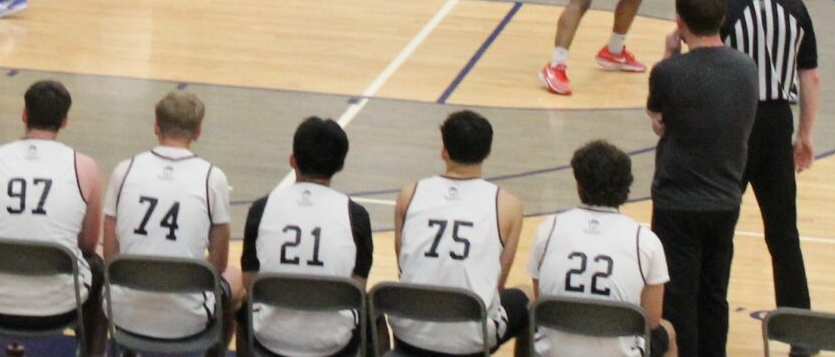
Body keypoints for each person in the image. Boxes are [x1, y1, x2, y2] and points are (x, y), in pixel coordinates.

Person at [646, 0, 757, 357]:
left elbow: (658, 120)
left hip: (677, 199)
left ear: (680, 21)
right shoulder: (747, 68)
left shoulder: (669, 73)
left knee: (677, 296)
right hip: (725, 196)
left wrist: (669, 56)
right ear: (720, 18)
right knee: (713, 293)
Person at [721, 0, 819, 321]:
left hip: (732, 124)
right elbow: (810, 77)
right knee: (783, 233)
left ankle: (710, 323)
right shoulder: (795, 8)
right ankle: (800, 330)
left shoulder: (720, 8)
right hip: (778, 122)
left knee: (719, 227)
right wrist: (804, 134)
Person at [0, 80, 105, 354]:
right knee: (97, 267)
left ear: (24, 115)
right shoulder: (85, 167)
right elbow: (89, 244)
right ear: (65, 121)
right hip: (61, 307)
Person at [390, 110, 530, 357]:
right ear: (488, 152)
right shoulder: (508, 205)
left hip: (409, 332)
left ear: (444, 151)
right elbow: (495, 286)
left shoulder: (409, 195)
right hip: (471, 340)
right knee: (528, 295)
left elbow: (404, 268)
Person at [104, 91, 238, 343]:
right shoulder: (212, 177)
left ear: (156, 126)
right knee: (235, 278)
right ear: (198, 132)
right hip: (188, 318)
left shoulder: (124, 171)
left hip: (123, 313)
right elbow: (218, 263)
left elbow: (110, 256)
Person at [528, 141, 675, 357]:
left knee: (529, 320)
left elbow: (540, 300)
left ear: (579, 184)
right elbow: (651, 321)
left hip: (555, 352)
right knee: (667, 330)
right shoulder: (645, 241)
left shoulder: (547, 230)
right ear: (626, 186)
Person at [240, 117, 372, 357]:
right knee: (372, 312)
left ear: (292, 160)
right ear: (341, 166)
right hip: (332, 343)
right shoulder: (356, 216)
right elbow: (358, 289)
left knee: (242, 306)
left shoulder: (261, 208)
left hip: (270, 337)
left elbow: (249, 282)